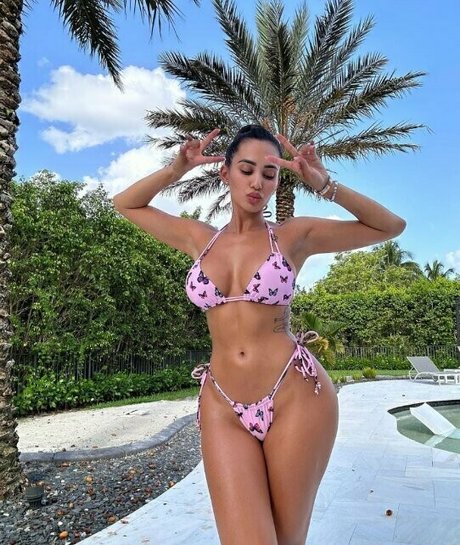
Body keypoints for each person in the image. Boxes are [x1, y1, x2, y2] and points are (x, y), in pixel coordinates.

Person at [112, 125, 406, 545]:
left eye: (269, 174)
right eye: (246, 170)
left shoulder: (293, 236)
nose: (257, 183)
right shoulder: (199, 239)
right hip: (222, 404)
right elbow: (125, 204)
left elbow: (390, 226)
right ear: (225, 173)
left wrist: (324, 184)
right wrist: (175, 170)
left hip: (294, 397)